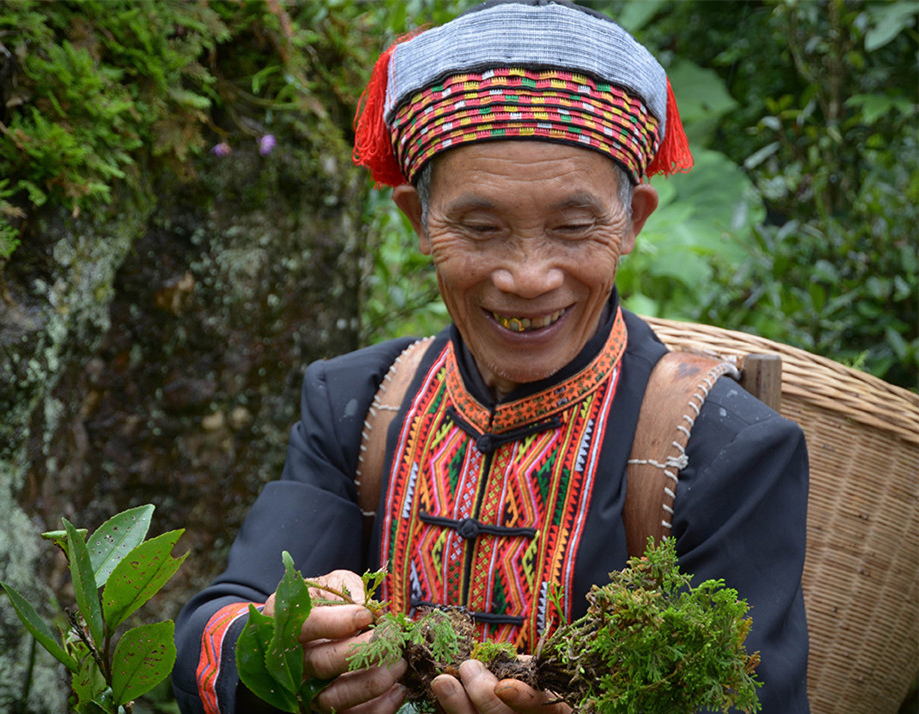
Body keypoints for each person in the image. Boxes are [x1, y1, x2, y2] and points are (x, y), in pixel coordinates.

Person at [173, 2, 811, 713]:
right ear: (418, 222)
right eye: (480, 228)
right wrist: (281, 642)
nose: (527, 276)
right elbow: (217, 621)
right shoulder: (354, 406)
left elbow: (752, 696)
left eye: (572, 227)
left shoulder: (728, 451)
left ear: (632, 222)